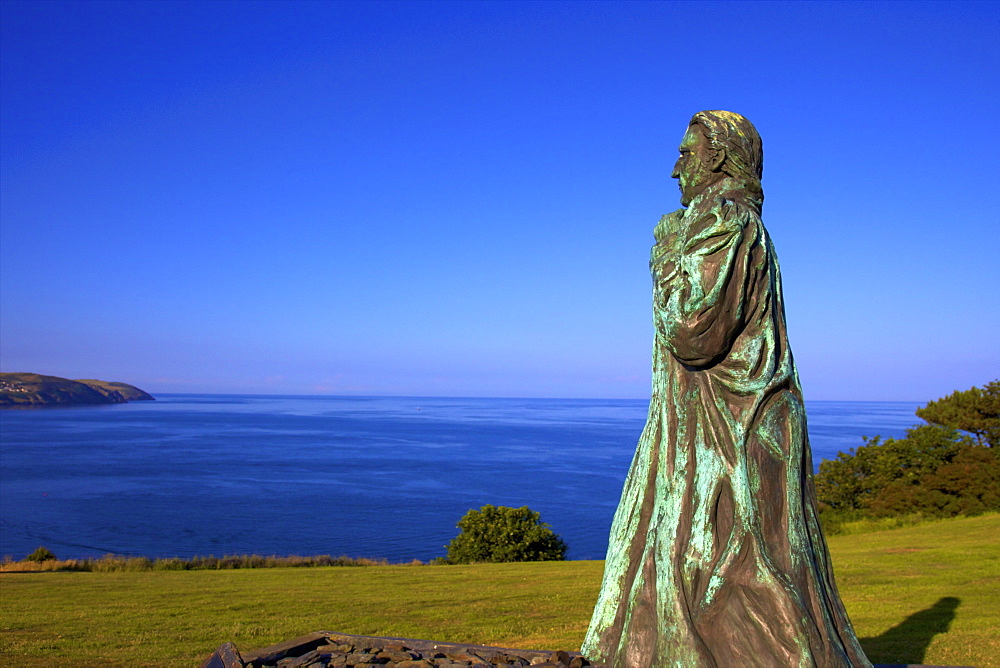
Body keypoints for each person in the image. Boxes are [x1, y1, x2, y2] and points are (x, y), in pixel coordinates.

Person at [582, 111, 871, 667]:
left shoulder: (725, 220)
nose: (675, 169)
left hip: (731, 433)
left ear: (716, 157)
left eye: (686, 153)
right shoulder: (735, 223)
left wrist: (666, 253)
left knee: (739, 571)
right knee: (723, 567)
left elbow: (693, 332)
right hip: (716, 426)